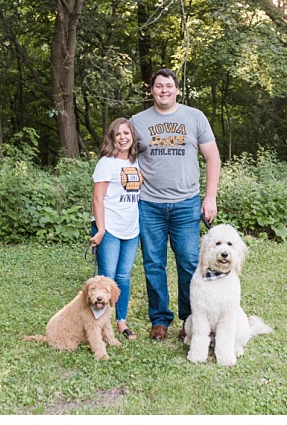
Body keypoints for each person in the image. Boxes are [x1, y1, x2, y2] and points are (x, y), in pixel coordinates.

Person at [131, 68, 221, 341]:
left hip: (186, 203)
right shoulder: (137, 121)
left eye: (169, 86)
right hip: (149, 204)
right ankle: (159, 320)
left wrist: (210, 197)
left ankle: (189, 320)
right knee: (153, 263)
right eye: (159, 86)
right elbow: (126, 162)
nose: (164, 91)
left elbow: (213, 159)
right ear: (151, 90)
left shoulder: (195, 117)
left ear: (177, 89)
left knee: (188, 262)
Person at [91, 118, 143, 340]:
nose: (123, 137)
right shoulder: (106, 162)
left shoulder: (136, 162)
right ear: (112, 138)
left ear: (132, 136)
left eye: (126, 133)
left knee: (123, 276)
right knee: (106, 278)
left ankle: (121, 321)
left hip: (131, 229)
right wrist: (100, 229)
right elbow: (97, 198)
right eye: (118, 134)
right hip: (109, 228)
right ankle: (98, 324)